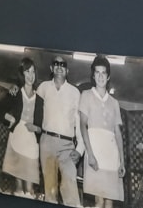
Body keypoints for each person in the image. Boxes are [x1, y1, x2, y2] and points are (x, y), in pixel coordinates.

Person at [37, 55, 83, 206]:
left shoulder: (75, 92)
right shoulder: (43, 87)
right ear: (51, 68)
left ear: (67, 70)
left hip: (67, 146)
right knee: (50, 190)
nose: (59, 66)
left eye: (62, 65)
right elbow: (32, 107)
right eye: (56, 64)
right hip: (47, 143)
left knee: (70, 185)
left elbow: (79, 123)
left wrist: (80, 149)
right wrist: (16, 87)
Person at [79, 55, 124, 208]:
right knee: (98, 202)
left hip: (111, 157)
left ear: (108, 76)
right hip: (95, 155)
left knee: (109, 202)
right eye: (97, 72)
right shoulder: (86, 95)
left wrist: (122, 161)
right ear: (93, 75)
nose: (100, 76)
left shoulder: (114, 103)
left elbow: (117, 133)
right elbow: (83, 125)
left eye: (103, 73)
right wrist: (90, 154)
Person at [0, 57, 43, 198]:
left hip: (31, 143)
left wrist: (36, 128)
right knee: (18, 188)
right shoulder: (15, 92)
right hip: (16, 139)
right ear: (22, 74)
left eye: (33, 72)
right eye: (27, 71)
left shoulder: (40, 99)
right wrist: (10, 118)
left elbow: (42, 127)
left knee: (29, 189)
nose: (30, 75)